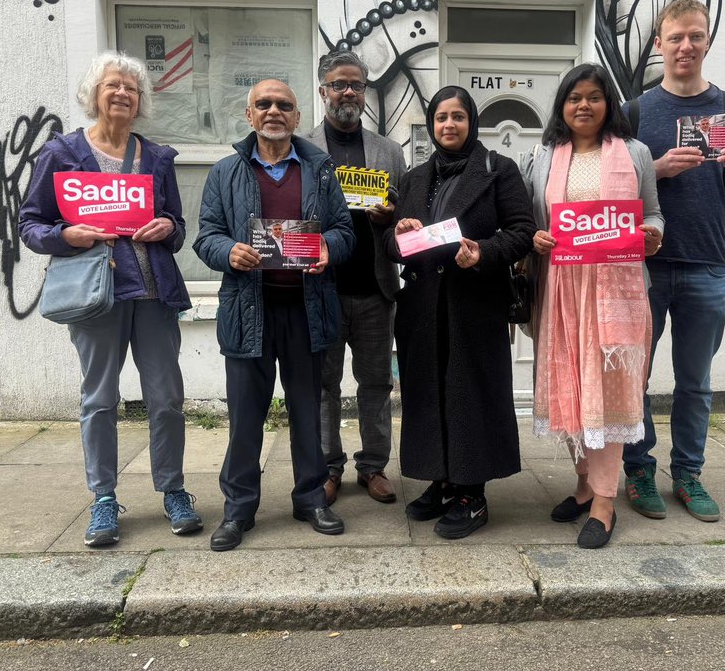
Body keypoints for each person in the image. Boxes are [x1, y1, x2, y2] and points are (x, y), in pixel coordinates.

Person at [19, 51, 201, 547]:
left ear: (140, 101)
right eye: (112, 86)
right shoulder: (61, 153)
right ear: (94, 95)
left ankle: (173, 489)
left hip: (153, 292)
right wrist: (67, 235)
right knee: (99, 399)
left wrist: (168, 227)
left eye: (131, 88)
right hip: (97, 296)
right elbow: (30, 225)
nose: (122, 94)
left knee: (167, 398)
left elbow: (177, 227)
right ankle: (103, 498)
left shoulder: (157, 157)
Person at [193, 79, 355, 551]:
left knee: (307, 412)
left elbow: (345, 230)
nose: (273, 111)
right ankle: (238, 509)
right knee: (246, 416)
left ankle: (310, 499)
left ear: (297, 117)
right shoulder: (225, 172)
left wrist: (328, 246)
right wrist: (229, 253)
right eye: (263, 104)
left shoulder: (321, 170)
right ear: (249, 116)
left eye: (284, 105)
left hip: (306, 311)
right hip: (248, 312)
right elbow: (206, 236)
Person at [622, 0, 725, 522]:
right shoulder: (635, 111)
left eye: (695, 36)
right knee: (634, 375)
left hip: (706, 262)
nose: (685, 46)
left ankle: (688, 475)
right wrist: (658, 168)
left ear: (707, 42)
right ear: (658, 43)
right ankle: (638, 470)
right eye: (675, 37)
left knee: (695, 381)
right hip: (646, 264)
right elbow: (621, 189)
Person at [521, 63, 663, 549]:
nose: (584, 105)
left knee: (609, 395)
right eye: (574, 97)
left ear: (610, 104)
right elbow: (528, 219)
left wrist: (652, 236)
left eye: (595, 97)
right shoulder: (543, 156)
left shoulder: (636, 154)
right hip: (559, 290)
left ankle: (605, 501)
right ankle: (583, 486)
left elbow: (655, 214)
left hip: (615, 291)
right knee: (570, 389)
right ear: (562, 105)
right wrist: (534, 238)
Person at [384, 85, 535, 540]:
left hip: (475, 301)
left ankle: (472, 493)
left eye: (458, 117)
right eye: (441, 118)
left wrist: (483, 251)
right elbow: (394, 244)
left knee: (471, 392)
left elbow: (523, 232)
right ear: (432, 126)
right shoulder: (414, 178)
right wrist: (401, 233)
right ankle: (440, 478)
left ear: (472, 122)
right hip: (423, 304)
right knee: (428, 393)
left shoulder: (497, 169)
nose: (449, 125)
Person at [302, 50, 407, 506]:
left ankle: (374, 467)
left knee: (376, 385)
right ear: (323, 88)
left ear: (365, 92)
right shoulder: (302, 147)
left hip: (375, 287)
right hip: (322, 288)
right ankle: (328, 468)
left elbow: (406, 211)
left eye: (357, 85)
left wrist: (392, 215)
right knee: (323, 386)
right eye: (339, 84)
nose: (348, 92)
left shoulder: (389, 150)